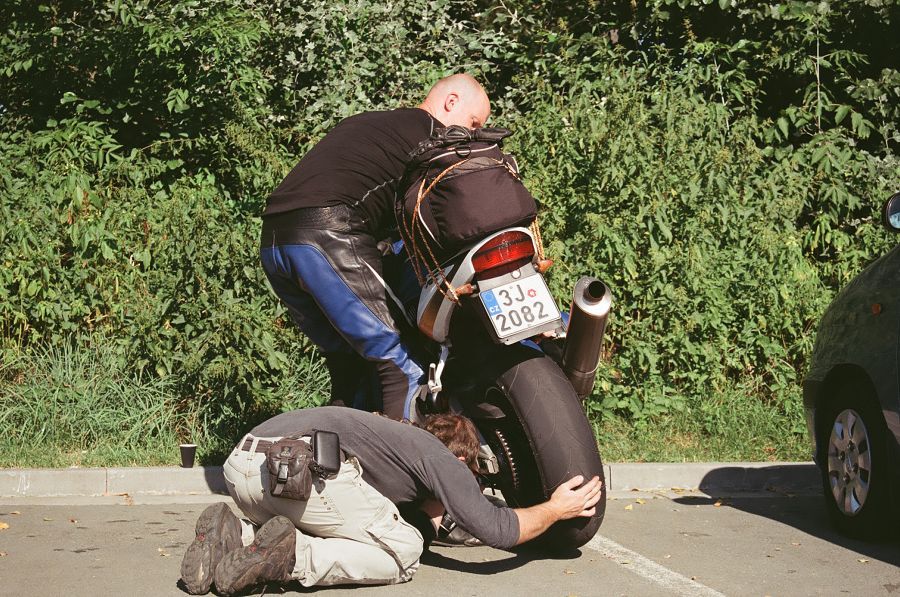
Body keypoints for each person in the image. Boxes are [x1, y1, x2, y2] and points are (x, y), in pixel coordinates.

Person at [260, 74, 491, 421]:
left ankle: (340, 449)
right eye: (473, 123)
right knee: (399, 361)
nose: (472, 135)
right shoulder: (433, 136)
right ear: (451, 101)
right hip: (327, 235)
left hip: (276, 241)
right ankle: (402, 456)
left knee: (350, 363)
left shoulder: (376, 124)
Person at [179, 406, 602, 595]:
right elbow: (497, 529)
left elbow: (381, 516)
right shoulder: (443, 460)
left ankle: (236, 533)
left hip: (244, 468)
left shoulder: (396, 442)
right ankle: (291, 560)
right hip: (301, 469)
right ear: (462, 461)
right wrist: (556, 509)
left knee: (357, 531)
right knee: (404, 551)